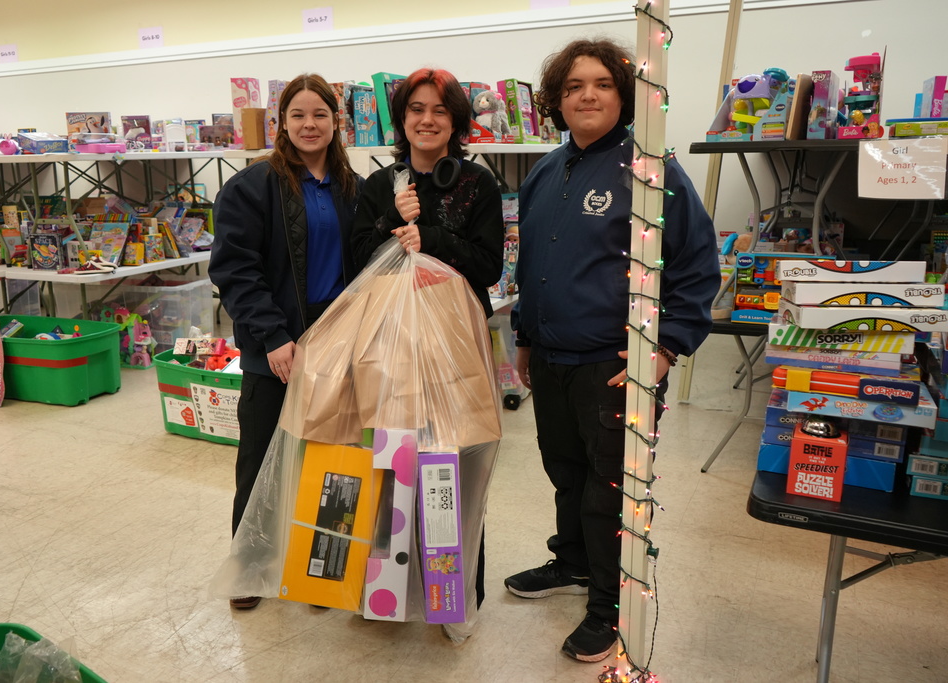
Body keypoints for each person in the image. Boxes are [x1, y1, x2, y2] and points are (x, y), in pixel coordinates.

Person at [505, 38, 720, 662]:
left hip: (613, 365)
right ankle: (570, 563)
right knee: (564, 473)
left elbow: (697, 266)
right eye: (573, 87)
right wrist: (524, 333)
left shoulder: (651, 169)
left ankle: (610, 606)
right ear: (557, 99)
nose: (586, 95)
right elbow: (534, 263)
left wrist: (667, 348)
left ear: (624, 95)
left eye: (600, 83)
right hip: (549, 359)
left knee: (610, 492)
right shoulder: (548, 169)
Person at [350, 67, 505, 609]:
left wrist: (431, 237)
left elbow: (489, 267)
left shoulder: (479, 184)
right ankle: (386, 589)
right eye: (416, 109)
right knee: (391, 461)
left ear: (456, 121)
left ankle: (453, 591)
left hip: (456, 346)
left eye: (440, 110)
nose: (427, 119)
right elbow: (356, 264)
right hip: (390, 344)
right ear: (402, 119)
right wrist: (391, 218)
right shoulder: (377, 185)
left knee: (454, 464)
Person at [209, 73, 364, 611]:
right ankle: (250, 570)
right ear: (281, 123)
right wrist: (273, 336)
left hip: (337, 346)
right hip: (273, 346)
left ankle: (322, 570)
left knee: (333, 461)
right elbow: (235, 269)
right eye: (297, 115)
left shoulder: (352, 187)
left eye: (319, 114)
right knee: (261, 461)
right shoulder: (253, 186)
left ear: (335, 121)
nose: (309, 124)